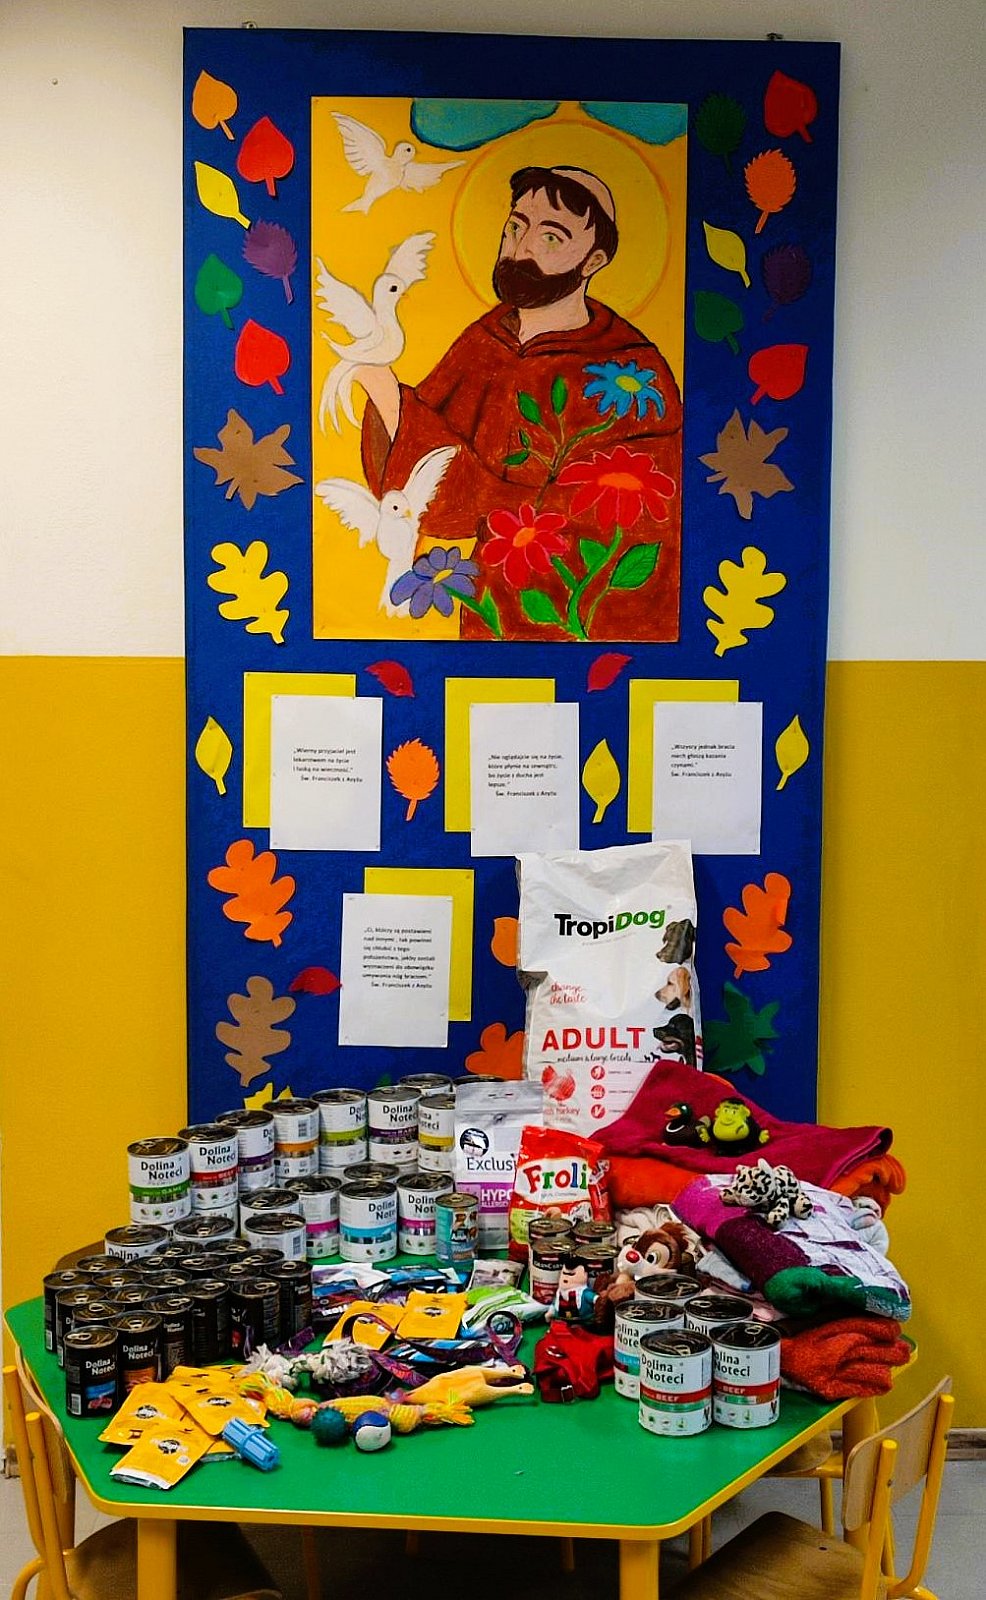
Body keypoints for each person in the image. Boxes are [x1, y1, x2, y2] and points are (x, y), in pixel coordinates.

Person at [357, 164, 683, 640]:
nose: (521, 247)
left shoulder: (632, 375)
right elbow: (426, 474)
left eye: (550, 237)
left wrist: (392, 403)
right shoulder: (487, 339)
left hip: (588, 626)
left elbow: (591, 518)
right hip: (490, 614)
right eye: (515, 227)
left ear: (593, 260)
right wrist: (390, 406)